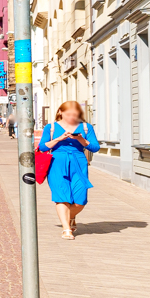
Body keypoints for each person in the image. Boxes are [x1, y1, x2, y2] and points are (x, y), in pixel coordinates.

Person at [40, 100, 100, 240]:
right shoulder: (51, 127)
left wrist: (80, 139)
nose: (71, 117)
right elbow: (43, 147)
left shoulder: (86, 127)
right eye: (68, 114)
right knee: (61, 196)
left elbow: (95, 148)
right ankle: (66, 229)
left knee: (80, 200)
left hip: (78, 163)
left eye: (75, 114)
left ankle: (70, 216)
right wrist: (59, 139)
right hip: (57, 163)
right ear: (60, 112)